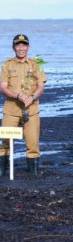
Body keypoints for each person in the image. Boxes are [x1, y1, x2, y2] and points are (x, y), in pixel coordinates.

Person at [0, 34, 47, 177]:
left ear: (28, 47)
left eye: (24, 45)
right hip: (11, 110)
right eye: (18, 45)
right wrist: (17, 95)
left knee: (33, 144)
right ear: (13, 47)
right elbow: (3, 87)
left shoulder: (36, 64)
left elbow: (40, 85)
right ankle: (2, 171)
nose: (21, 48)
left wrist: (32, 97)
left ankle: (33, 173)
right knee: (5, 143)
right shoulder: (7, 65)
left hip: (31, 110)